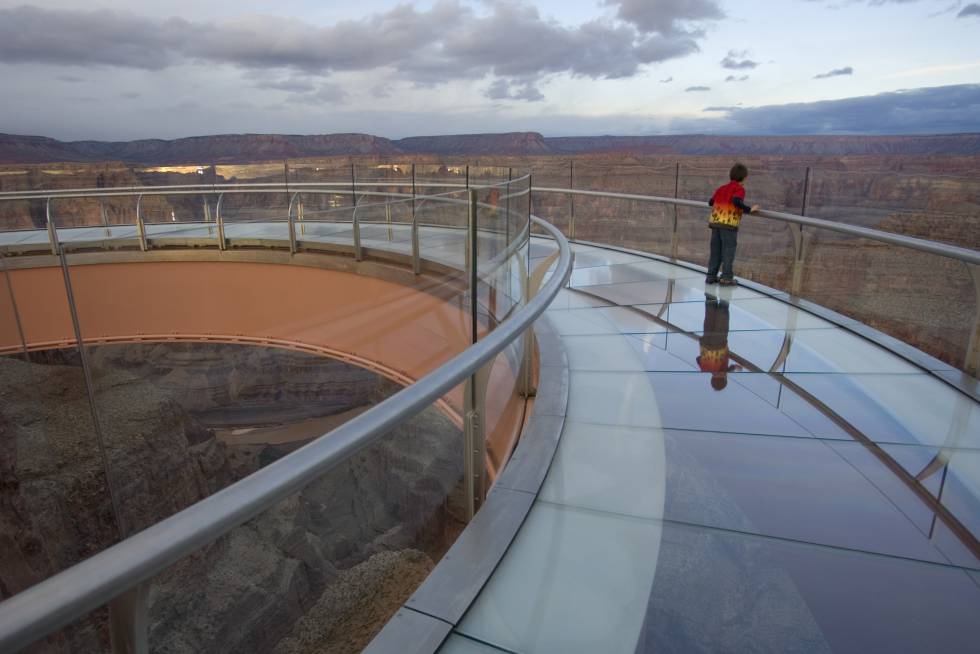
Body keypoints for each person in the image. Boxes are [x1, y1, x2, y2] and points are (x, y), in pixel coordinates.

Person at [705, 163, 760, 286]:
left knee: (716, 251)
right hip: (728, 224)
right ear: (744, 177)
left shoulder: (721, 188)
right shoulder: (739, 189)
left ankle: (711, 276)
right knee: (728, 251)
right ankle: (726, 278)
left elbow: (710, 202)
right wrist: (749, 209)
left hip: (715, 223)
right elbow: (736, 201)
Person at [696, 294, 742, 390]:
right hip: (706, 340)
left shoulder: (722, 373)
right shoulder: (704, 369)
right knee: (710, 315)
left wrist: (737, 368)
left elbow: (731, 368)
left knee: (722, 316)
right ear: (712, 379)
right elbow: (698, 359)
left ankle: (725, 287)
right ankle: (710, 285)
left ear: (723, 379)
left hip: (719, 344)